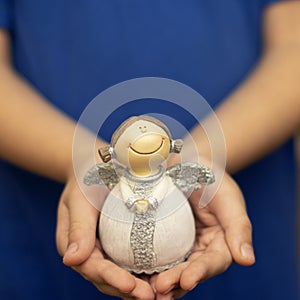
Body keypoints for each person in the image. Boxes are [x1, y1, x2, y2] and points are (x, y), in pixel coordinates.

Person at [0, 1, 299, 299]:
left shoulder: (177, 174)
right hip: (35, 234)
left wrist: (202, 158)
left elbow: (293, 49)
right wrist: (80, 161)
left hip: (259, 209)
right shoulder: (110, 174)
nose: (144, 132)